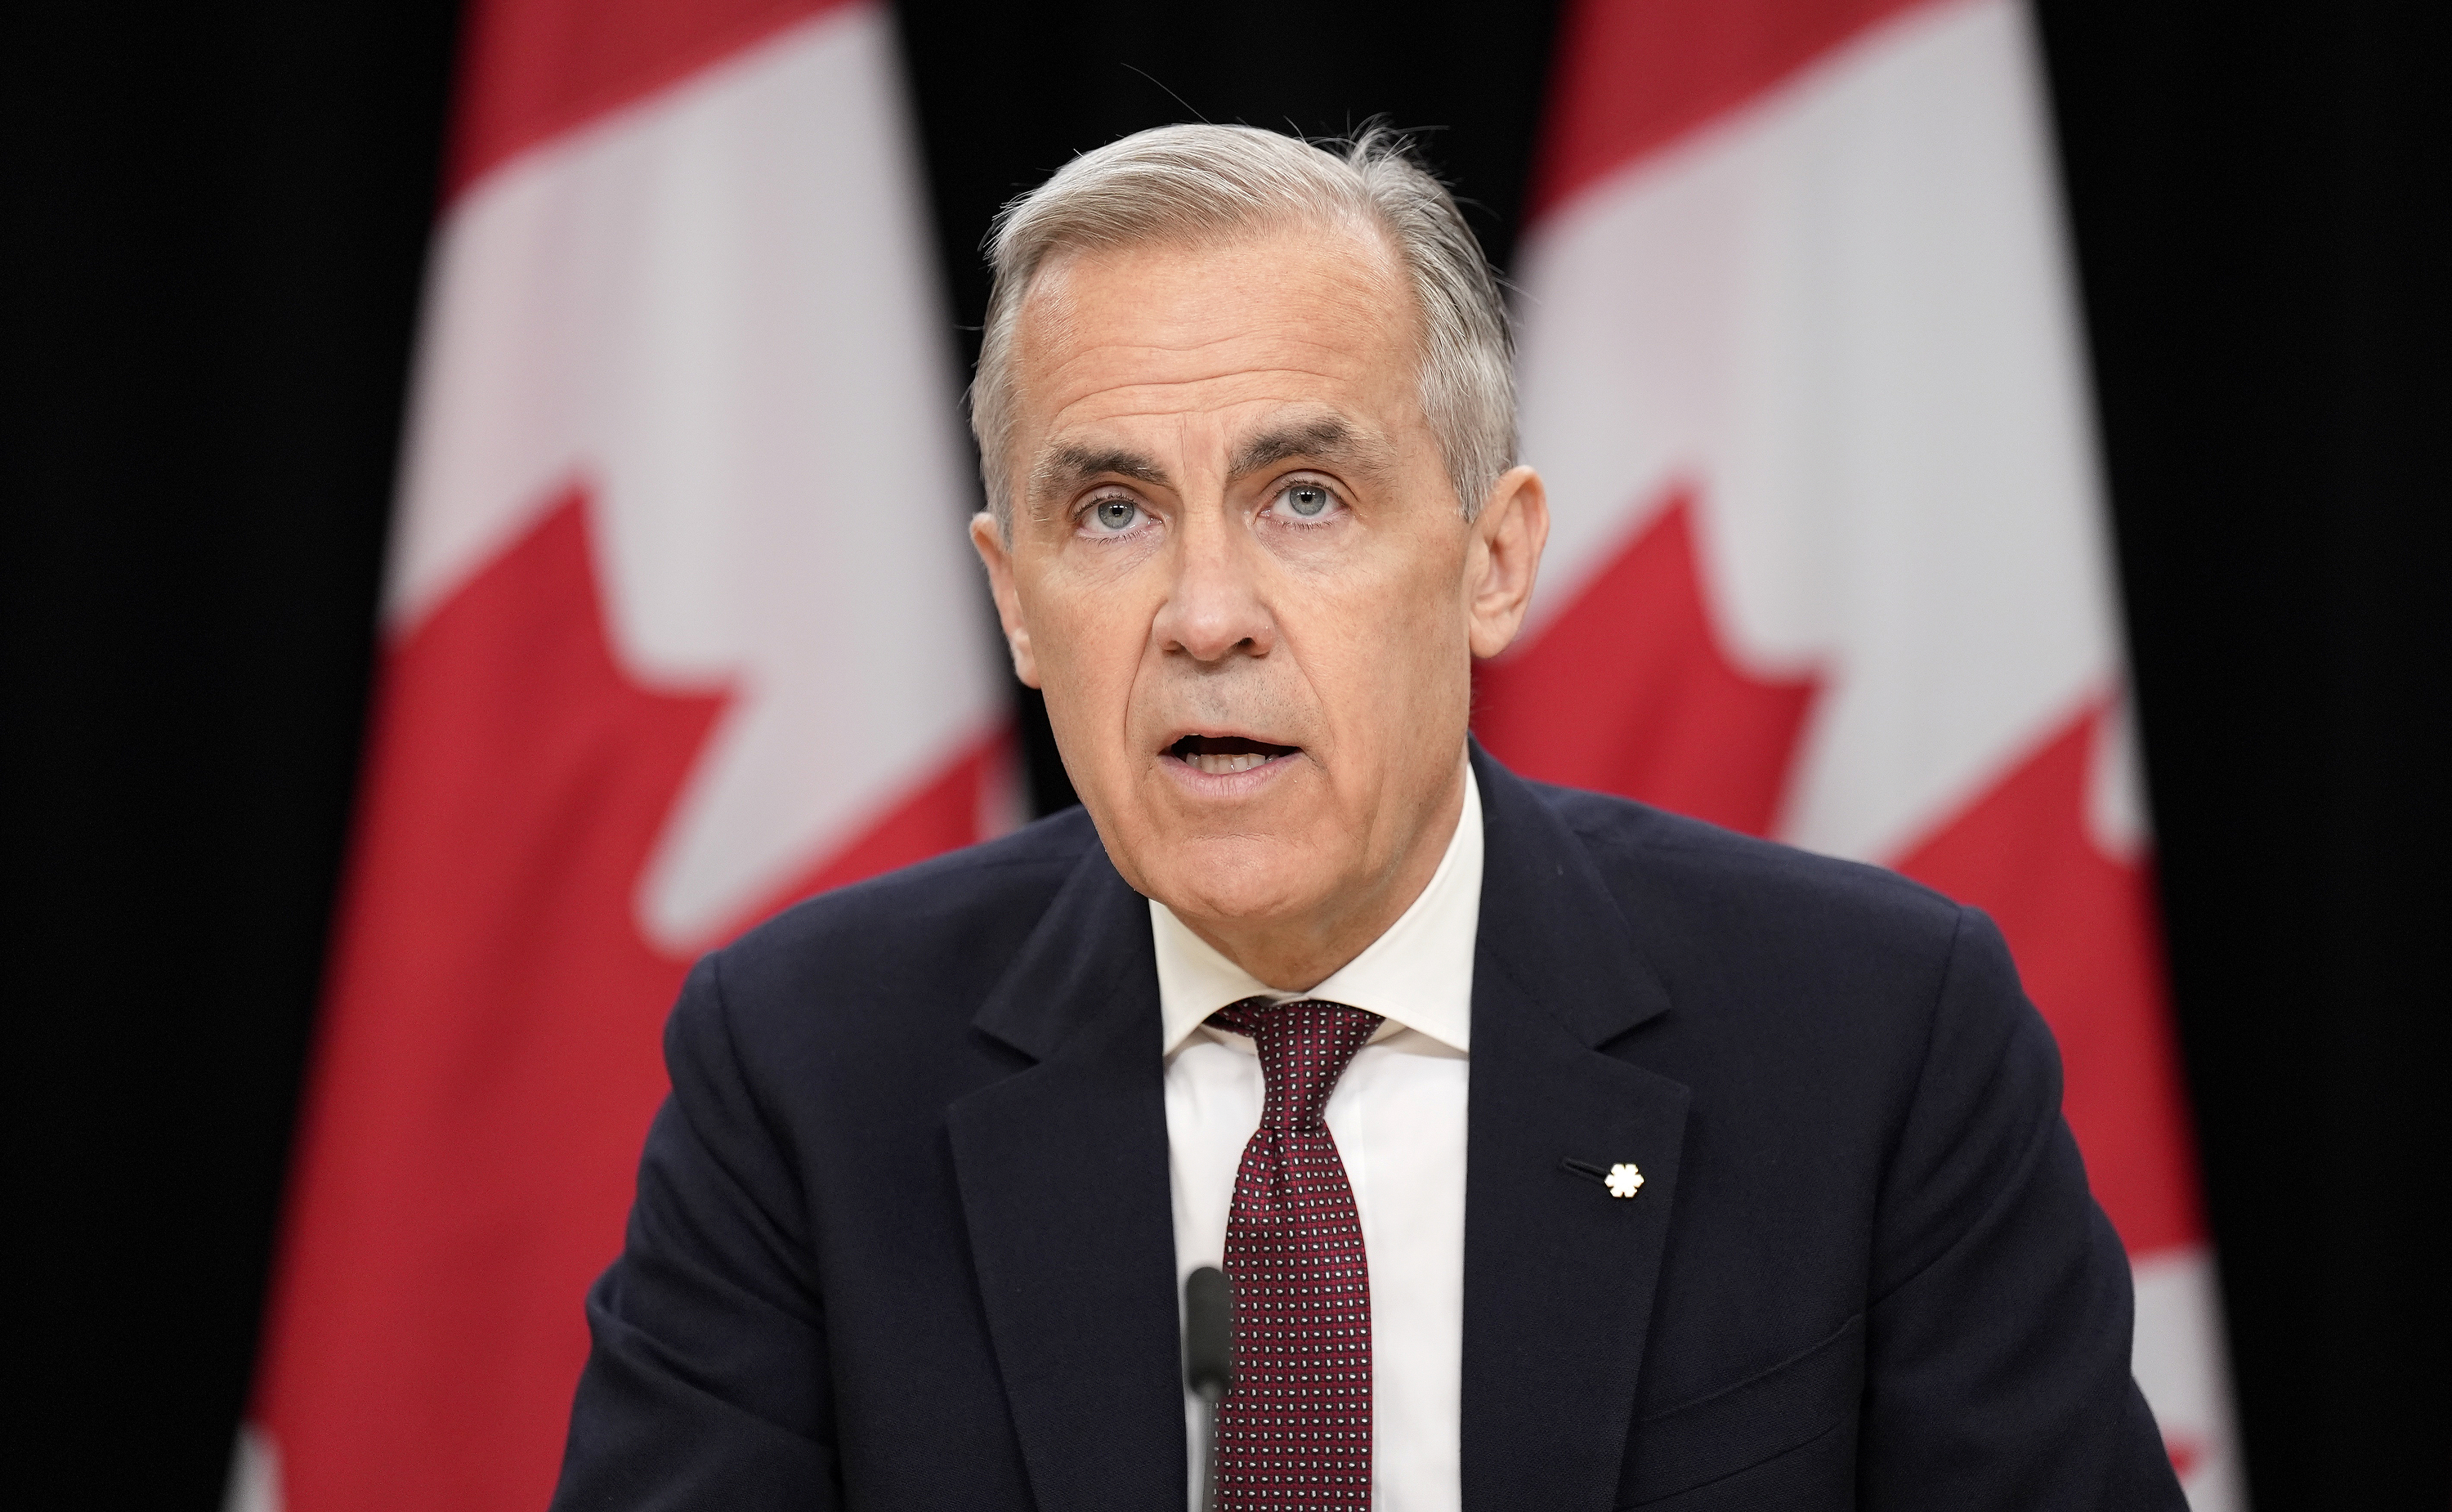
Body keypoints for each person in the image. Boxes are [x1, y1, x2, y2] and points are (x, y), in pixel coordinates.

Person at [549, 124, 2184, 1512]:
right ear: (1018, 603)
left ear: (1493, 557)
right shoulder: (809, 1070)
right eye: (1111, 511)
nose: (1206, 615)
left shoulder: (1872, 1039)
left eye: (1304, 497)